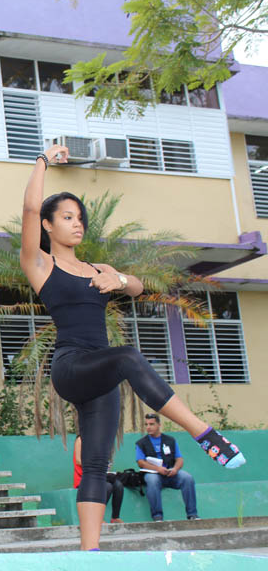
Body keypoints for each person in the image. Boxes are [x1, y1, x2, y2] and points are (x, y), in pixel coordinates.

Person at [19, 145, 245, 550]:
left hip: (102, 378)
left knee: (97, 465)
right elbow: (30, 211)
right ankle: (203, 434)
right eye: (67, 217)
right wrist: (43, 161)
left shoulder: (97, 271)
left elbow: (139, 288)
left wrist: (120, 280)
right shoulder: (40, 264)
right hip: (72, 367)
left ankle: (90, 553)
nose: (78, 224)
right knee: (128, 355)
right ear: (49, 227)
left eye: (80, 218)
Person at [136, 413, 199, 522]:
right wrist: (157, 469)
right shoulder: (141, 443)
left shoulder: (170, 440)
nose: (148, 427)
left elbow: (179, 459)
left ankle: (192, 515)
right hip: (153, 473)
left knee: (187, 478)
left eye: (151, 424)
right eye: (146, 424)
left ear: (159, 425)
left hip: (170, 473)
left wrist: (175, 469)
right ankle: (157, 517)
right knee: (152, 480)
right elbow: (141, 462)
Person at [74, 435, 123, 524]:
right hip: (84, 477)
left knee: (118, 485)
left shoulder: (98, 440)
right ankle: (98, 518)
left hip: (98, 476)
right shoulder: (80, 439)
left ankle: (115, 517)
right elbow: (78, 460)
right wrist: (96, 465)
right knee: (107, 487)